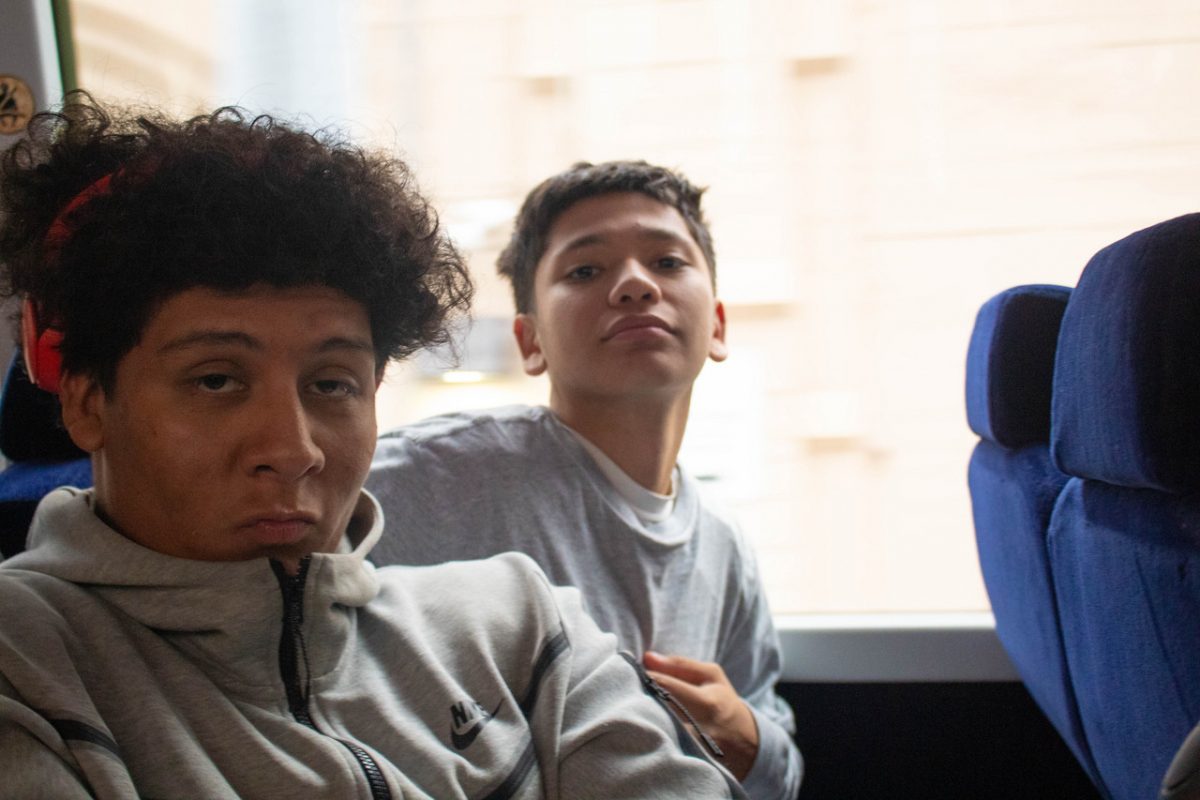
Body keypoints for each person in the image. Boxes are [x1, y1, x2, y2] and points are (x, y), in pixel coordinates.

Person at [0, 96, 749, 799]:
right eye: (217, 380)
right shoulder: (30, 665)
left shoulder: (519, 628)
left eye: (331, 384)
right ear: (87, 400)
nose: (292, 449)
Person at [368, 160, 803, 800]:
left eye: (668, 262)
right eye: (585, 271)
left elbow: (778, 760)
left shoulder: (722, 543)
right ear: (530, 340)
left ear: (716, 324)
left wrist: (745, 737)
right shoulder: (434, 480)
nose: (634, 285)